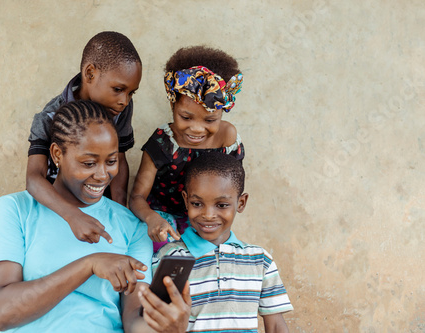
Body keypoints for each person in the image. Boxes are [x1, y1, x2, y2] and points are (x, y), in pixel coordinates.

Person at [0, 101, 163, 332]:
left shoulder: (132, 227)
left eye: (111, 161)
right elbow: (2, 313)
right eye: (88, 163)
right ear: (57, 154)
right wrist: (88, 265)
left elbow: (134, 320)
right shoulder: (15, 210)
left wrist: (166, 326)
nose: (103, 175)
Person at [139, 152, 293, 333]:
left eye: (221, 205)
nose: (208, 215)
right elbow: (155, 320)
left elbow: (275, 325)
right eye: (197, 203)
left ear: (241, 203)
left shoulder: (260, 260)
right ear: (186, 200)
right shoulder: (171, 258)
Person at [27, 31, 142, 245]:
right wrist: (72, 215)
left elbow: (120, 158)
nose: (124, 101)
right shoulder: (50, 118)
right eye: (118, 89)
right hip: (57, 212)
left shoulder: (120, 109)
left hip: (100, 209)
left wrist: (120, 213)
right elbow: (34, 179)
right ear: (90, 74)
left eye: (131, 93)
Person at [129, 46, 245, 251]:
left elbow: (232, 188)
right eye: (186, 117)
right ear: (172, 106)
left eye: (210, 119)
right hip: (163, 218)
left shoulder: (227, 138)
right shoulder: (162, 143)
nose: (197, 129)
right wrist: (152, 218)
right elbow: (137, 197)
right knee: (167, 254)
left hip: (205, 218)